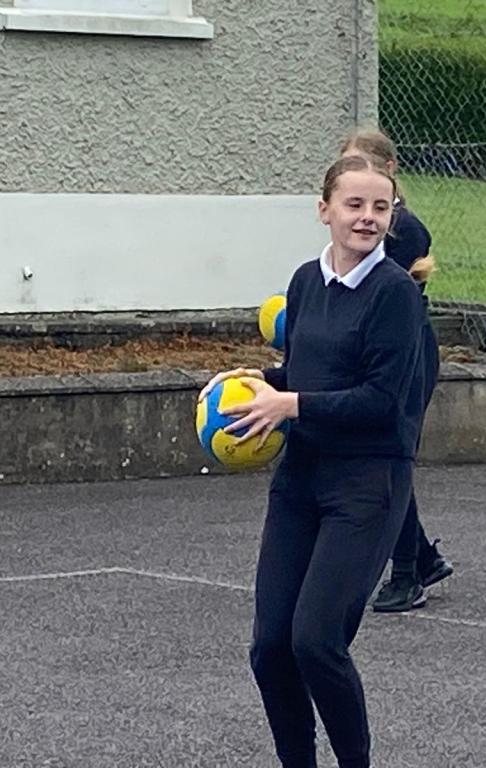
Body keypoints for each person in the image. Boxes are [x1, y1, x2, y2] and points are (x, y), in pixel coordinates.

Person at [199, 154, 427, 768]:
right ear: (324, 210)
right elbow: (304, 371)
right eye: (355, 205)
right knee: (270, 649)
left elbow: (383, 401)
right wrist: (258, 382)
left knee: (317, 642)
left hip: (367, 483)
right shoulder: (304, 282)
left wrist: (290, 403)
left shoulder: (396, 294)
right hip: (300, 479)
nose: (368, 217)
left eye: (381, 207)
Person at [340, 129, 454, 613]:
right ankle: (422, 557)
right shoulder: (356, 224)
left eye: (360, 164)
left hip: (404, 351)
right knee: (374, 457)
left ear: (388, 169)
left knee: (389, 456)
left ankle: (408, 573)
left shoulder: (403, 228)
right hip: (367, 347)